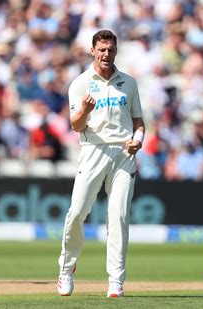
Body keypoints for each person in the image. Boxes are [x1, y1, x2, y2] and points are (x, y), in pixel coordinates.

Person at [56, 30, 145, 298]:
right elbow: (75, 125)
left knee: (118, 216)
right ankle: (66, 268)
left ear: (116, 51)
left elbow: (139, 121)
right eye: (102, 50)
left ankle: (116, 280)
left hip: (123, 153)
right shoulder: (81, 83)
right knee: (77, 212)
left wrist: (137, 140)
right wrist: (84, 109)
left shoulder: (128, 83)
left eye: (110, 50)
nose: (106, 54)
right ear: (93, 51)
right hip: (93, 150)